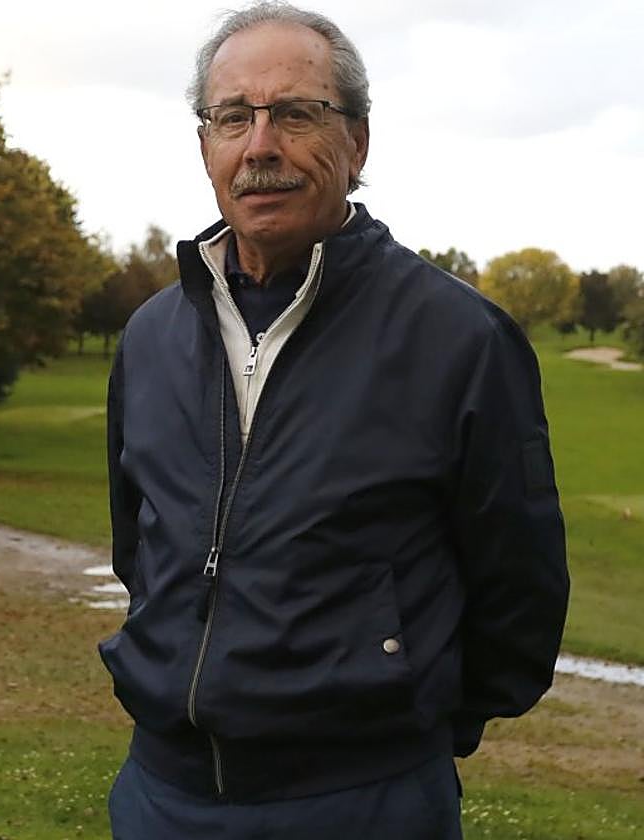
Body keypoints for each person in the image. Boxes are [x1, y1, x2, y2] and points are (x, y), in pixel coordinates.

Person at [98, 3, 569, 837]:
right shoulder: (150, 336)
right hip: (160, 799)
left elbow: (520, 595)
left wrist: (412, 736)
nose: (261, 145)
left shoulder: (459, 339)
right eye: (233, 117)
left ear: (357, 143)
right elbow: (141, 550)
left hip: (365, 804)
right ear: (205, 145)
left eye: (298, 113)